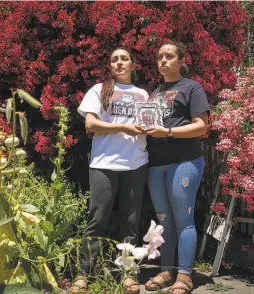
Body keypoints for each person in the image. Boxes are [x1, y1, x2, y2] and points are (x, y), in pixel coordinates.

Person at [71, 48, 148, 294]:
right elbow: (90, 124)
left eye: (124, 58)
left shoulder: (143, 95)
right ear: (110, 65)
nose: (118, 62)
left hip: (136, 163)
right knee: (98, 218)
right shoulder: (98, 90)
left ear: (133, 64)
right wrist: (124, 126)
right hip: (103, 164)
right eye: (114, 59)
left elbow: (150, 125)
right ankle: (84, 275)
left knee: (131, 220)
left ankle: (127, 274)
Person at [144, 41, 209, 294]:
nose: (162, 60)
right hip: (155, 164)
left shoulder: (192, 88)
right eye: (160, 56)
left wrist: (167, 132)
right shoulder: (153, 93)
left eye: (169, 56)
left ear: (182, 61)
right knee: (163, 222)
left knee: (184, 221)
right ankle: (165, 270)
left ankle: (184, 275)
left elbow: (201, 126)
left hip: (184, 161)